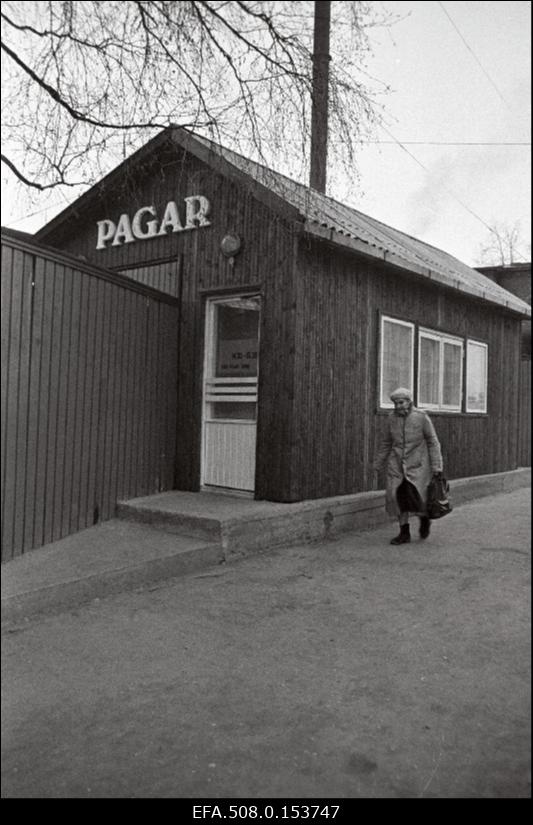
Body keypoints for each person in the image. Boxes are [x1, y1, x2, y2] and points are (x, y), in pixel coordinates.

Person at [373, 387, 444, 545]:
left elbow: (433, 442)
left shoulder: (421, 417)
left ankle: (424, 518)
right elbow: (386, 443)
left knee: (418, 497)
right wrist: (378, 463)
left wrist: (436, 466)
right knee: (396, 497)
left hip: (417, 465)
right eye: (396, 403)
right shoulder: (391, 418)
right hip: (396, 464)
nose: (398, 406)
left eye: (401, 402)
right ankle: (404, 532)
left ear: (409, 402)